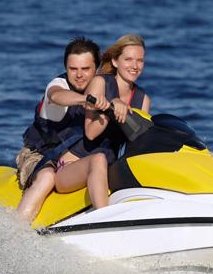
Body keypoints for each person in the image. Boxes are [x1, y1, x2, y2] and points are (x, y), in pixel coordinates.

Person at [16, 37, 110, 223]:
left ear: (97, 69)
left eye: (85, 69)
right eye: (72, 69)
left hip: (76, 159)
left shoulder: (105, 87)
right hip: (39, 156)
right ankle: (14, 231)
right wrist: (86, 100)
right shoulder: (58, 85)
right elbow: (57, 96)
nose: (79, 75)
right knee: (47, 178)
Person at [83, 34, 151, 163]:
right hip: (87, 157)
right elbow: (90, 134)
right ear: (115, 61)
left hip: (118, 164)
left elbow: (138, 143)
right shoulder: (100, 83)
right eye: (128, 59)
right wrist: (111, 107)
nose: (135, 66)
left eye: (140, 60)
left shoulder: (144, 99)